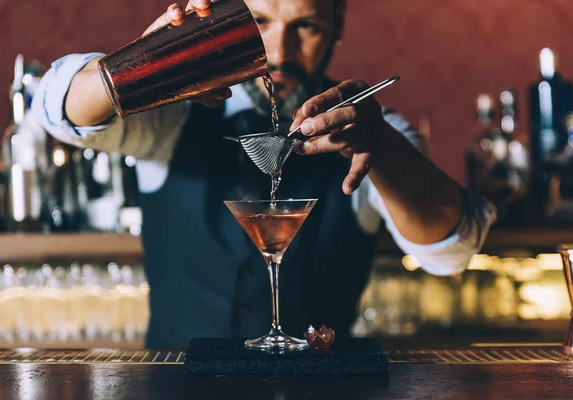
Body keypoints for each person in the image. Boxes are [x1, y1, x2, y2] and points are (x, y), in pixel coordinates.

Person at [32, 0, 496, 349]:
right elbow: (55, 110)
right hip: (175, 390)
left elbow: (452, 252)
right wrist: (146, 66)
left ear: (337, 26)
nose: (277, 51)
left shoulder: (376, 132)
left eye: (307, 26)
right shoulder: (168, 118)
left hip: (322, 392)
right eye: (258, 23)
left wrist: (383, 147)